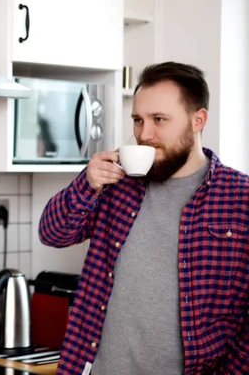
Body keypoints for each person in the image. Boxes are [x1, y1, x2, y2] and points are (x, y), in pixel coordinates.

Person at [39, 62, 249, 375]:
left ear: (198, 120)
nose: (144, 134)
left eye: (159, 120)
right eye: (138, 120)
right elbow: (52, 233)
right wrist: (87, 183)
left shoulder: (240, 198)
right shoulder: (115, 185)